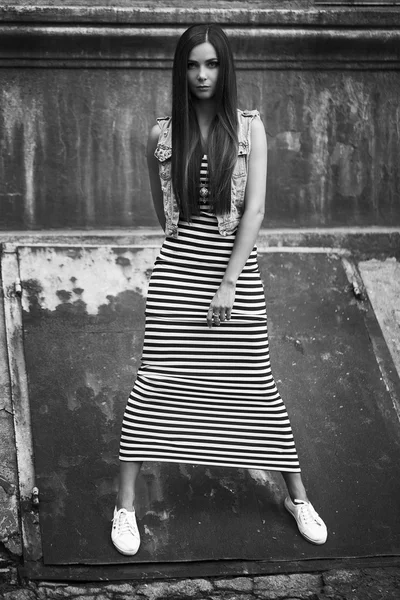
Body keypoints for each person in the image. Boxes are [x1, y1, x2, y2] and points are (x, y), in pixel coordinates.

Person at [111, 23, 327, 556]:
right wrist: (189, 260)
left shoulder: (250, 129)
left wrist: (228, 282)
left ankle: (296, 498)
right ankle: (125, 505)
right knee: (154, 382)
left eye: (211, 64)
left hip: (233, 273)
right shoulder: (161, 135)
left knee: (255, 383)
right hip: (177, 273)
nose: (202, 75)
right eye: (192, 65)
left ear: (225, 68)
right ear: (180, 70)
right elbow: (167, 214)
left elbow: (253, 211)